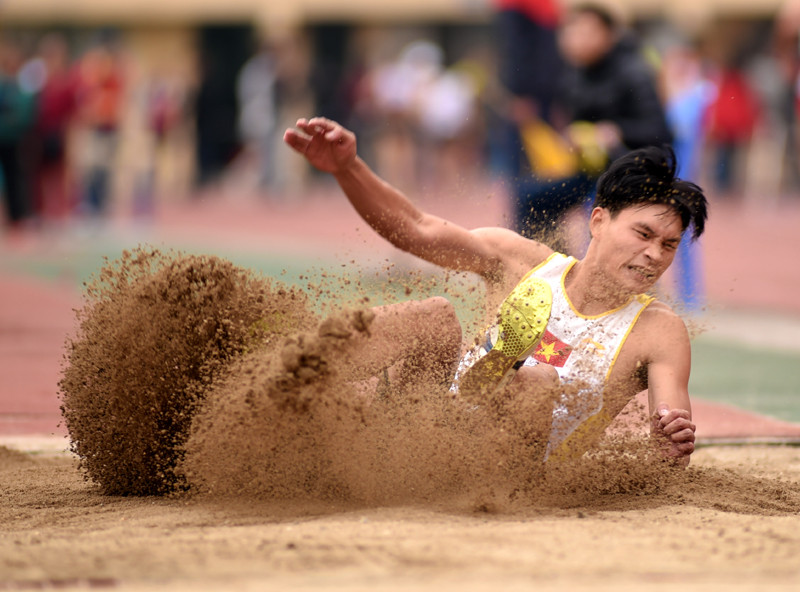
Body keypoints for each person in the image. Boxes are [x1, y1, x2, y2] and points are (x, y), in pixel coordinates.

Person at [283, 116, 705, 465]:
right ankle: (280, 392)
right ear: (598, 221)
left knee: (536, 382)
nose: (654, 254)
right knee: (434, 316)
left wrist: (672, 445)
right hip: (420, 442)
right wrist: (348, 168)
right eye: (643, 234)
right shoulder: (519, 261)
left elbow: (669, 448)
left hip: (503, 479)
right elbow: (416, 229)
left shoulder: (658, 331)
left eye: (669, 245)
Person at [514, 2, 673, 254]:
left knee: (601, 208)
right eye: (572, 32)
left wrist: (616, 131)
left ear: (609, 35)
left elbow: (660, 132)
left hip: (632, 171)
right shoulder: (574, 74)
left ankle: (600, 272)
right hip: (591, 172)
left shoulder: (634, 71)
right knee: (530, 197)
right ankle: (547, 264)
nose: (577, 39)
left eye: (587, 32)